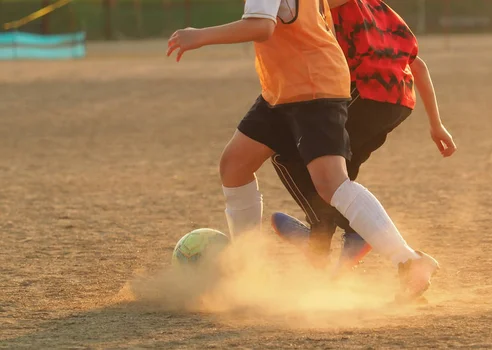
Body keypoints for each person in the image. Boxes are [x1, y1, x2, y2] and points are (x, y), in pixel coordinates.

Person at [167, 0, 439, 299]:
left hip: (312, 85)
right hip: (285, 88)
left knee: (330, 183)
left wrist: (200, 35)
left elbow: (262, 26)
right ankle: (247, 273)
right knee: (235, 165)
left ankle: (409, 261)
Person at [269, 0, 457, 274]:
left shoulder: (323, 6)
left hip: (368, 92)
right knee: (338, 178)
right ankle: (338, 243)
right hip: (399, 102)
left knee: (289, 155)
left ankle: (335, 235)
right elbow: (417, 66)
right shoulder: (378, 8)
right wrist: (436, 124)